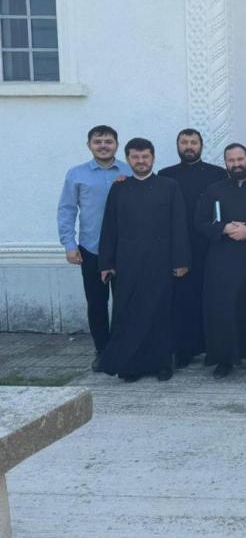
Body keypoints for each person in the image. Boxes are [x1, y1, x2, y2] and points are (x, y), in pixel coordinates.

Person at [97, 138, 190, 382]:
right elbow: (109, 227)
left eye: (145, 156)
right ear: (128, 160)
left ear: (153, 158)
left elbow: (179, 225)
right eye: (135, 157)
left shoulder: (169, 186)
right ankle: (131, 366)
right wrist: (106, 263)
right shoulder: (119, 188)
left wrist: (181, 261)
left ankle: (162, 364)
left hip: (161, 261)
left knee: (160, 314)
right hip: (127, 262)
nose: (141, 161)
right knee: (128, 314)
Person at [57, 125, 132, 372]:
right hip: (92, 249)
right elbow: (67, 210)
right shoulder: (76, 174)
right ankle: (102, 351)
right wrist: (69, 244)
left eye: (108, 141)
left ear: (117, 145)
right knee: (97, 304)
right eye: (98, 141)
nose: (103, 146)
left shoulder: (129, 171)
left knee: (125, 303)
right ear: (89, 145)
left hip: (124, 250)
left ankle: (123, 348)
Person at [194, 143, 246, 378]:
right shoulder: (213, 190)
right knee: (223, 309)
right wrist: (224, 228)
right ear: (225, 163)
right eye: (231, 160)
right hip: (222, 260)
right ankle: (224, 359)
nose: (236, 164)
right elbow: (200, 222)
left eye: (240, 159)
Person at [158, 129, 226, 368]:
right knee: (183, 299)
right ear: (178, 145)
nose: (189, 146)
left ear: (201, 145)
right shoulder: (166, 175)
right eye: (184, 142)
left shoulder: (218, 174)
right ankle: (184, 349)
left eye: (193, 142)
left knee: (211, 298)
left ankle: (212, 347)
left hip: (210, 245)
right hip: (179, 245)